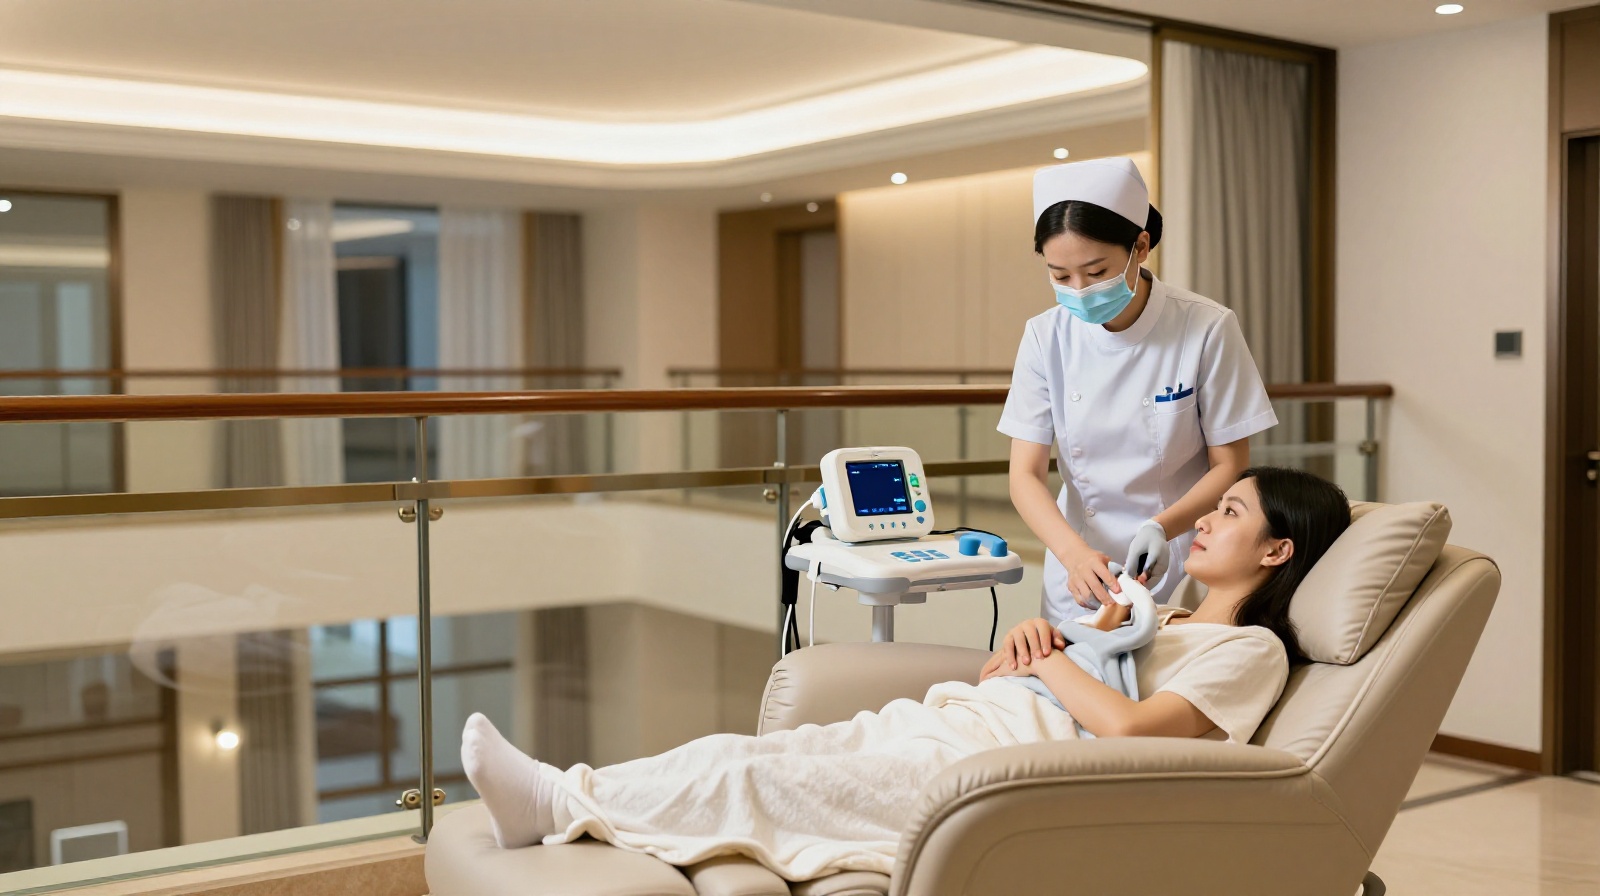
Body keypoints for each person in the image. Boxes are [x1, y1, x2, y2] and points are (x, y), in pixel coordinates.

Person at [459, 467, 1351, 882]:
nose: (1201, 522)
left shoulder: (1249, 652)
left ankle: (552, 800)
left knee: (750, 775)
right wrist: (1045, 640)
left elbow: (1127, 731)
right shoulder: (1166, 617)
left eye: (1227, 512)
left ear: (1278, 548)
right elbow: (1059, 673)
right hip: (973, 716)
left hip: (1003, 771)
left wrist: (1061, 659)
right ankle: (556, 794)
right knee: (757, 749)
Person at [1003, 157, 1279, 622]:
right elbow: (1024, 475)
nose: (1079, 290)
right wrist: (1073, 554)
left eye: (1095, 272)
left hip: (1179, 555)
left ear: (1141, 246)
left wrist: (1161, 527)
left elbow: (1229, 463)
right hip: (1079, 565)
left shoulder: (1206, 327)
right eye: (1059, 276)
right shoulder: (1044, 336)